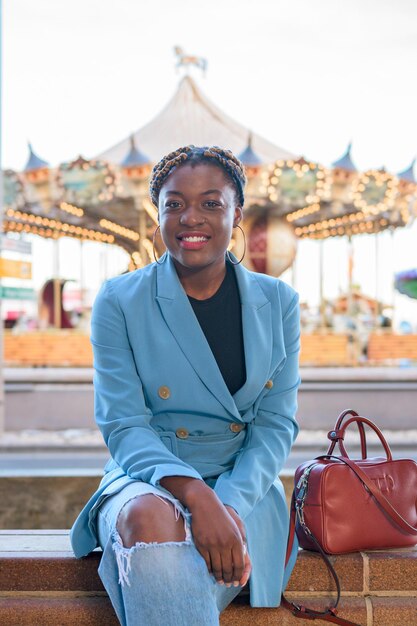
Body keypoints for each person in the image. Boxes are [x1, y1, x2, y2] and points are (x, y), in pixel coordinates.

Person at [70, 145, 301, 626]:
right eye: (174, 204)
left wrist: (229, 506)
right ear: (158, 217)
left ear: (237, 213)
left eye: (210, 203)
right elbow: (124, 424)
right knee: (150, 518)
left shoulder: (279, 301)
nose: (189, 217)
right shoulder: (120, 300)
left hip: (245, 485)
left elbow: (276, 426)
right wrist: (197, 497)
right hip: (149, 475)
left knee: (165, 562)